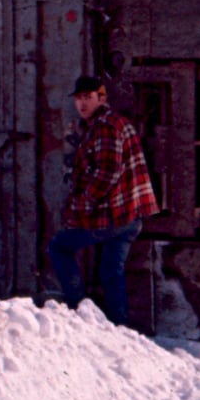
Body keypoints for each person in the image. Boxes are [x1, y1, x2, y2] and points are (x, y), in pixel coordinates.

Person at [47, 75, 159, 327]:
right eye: (78, 99)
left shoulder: (105, 127)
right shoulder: (113, 122)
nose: (82, 104)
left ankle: (79, 313)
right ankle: (119, 327)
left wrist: (84, 203)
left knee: (60, 247)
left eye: (88, 98)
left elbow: (108, 172)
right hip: (129, 216)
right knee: (111, 272)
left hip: (112, 216)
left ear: (102, 98)